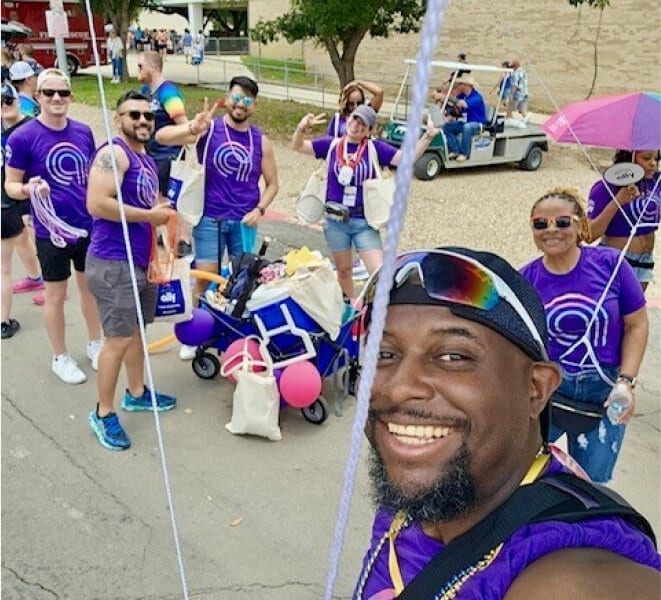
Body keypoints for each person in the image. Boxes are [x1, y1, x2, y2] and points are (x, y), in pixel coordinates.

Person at [356, 246, 659, 599]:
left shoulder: (566, 580)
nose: (398, 388)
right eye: (385, 354)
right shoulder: (424, 492)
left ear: (536, 388)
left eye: (454, 356)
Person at [521, 188, 649, 483]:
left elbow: (637, 325)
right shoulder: (525, 279)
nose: (551, 230)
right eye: (540, 224)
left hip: (605, 392)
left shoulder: (611, 265)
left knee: (592, 483)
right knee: (524, 476)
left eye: (562, 222)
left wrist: (626, 383)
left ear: (580, 225)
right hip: (550, 390)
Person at [156, 76, 279, 358]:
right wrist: (191, 127)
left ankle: (234, 331)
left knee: (242, 280)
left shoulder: (262, 142)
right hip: (209, 217)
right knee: (206, 276)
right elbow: (161, 137)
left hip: (243, 220)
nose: (240, 104)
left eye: (247, 101)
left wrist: (259, 209)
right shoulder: (209, 129)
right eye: (236, 98)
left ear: (254, 106)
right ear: (227, 98)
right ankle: (193, 332)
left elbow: (273, 184)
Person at [85, 91, 177, 451]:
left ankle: (136, 393)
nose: (142, 121)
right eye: (134, 114)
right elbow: (97, 203)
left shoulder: (145, 157)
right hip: (112, 262)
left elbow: (146, 202)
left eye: (148, 116)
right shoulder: (114, 153)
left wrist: (160, 234)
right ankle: (103, 413)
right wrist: (149, 216)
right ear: (118, 119)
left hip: (138, 260)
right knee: (118, 340)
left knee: (137, 331)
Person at [4, 68, 103, 384]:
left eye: (63, 92)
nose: (57, 98)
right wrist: (29, 190)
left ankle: (95, 343)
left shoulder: (84, 131)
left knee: (91, 291)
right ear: (38, 97)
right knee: (55, 295)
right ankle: (60, 356)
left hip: (87, 227)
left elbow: (91, 175)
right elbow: (10, 185)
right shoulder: (22, 137)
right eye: (49, 93)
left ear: (71, 97)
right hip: (50, 232)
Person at [292, 104, 438, 299]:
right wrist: (301, 129)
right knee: (343, 271)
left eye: (364, 124)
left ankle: (377, 312)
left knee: (379, 273)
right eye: (355, 119)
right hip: (335, 221)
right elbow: (299, 146)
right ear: (348, 119)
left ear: (369, 131)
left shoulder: (374, 148)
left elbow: (406, 159)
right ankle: (350, 310)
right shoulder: (332, 145)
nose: (357, 126)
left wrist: (427, 136)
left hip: (363, 223)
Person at [136, 50, 191, 254]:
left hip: (168, 155)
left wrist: (176, 147)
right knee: (157, 196)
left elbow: (183, 124)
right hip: (150, 155)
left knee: (169, 198)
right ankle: (166, 235)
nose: (138, 71)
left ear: (153, 66)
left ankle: (182, 240)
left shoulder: (168, 92)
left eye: (141, 66)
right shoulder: (144, 91)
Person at [587, 149, 660, 291]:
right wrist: (618, 201)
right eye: (646, 158)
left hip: (644, 262)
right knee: (611, 310)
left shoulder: (655, 182)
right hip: (614, 259)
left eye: (656, 159)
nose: (653, 164)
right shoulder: (606, 186)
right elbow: (589, 235)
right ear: (629, 158)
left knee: (633, 312)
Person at [1, 82, 31, 338]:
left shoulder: (28, 128)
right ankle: (3, 321)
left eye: (6, 100)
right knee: (3, 268)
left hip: (13, 202)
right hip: (6, 204)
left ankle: (35, 275)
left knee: (22, 240)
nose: (3, 106)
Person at [441, 75, 487, 162]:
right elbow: (457, 106)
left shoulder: (476, 97)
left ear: (466, 85)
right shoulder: (463, 95)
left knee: (467, 127)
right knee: (446, 126)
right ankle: (455, 150)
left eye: (460, 84)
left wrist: (445, 97)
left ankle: (464, 153)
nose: (458, 86)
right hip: (465, 122)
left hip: (477, 124)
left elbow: (463, 104)